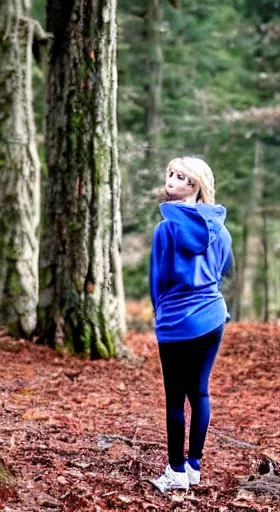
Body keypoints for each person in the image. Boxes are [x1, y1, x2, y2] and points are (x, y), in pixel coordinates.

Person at [149, 156, 233, 493]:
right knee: (199, 391)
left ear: (194, 184)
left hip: (178, 320)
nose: (170, 179)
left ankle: (176, 471)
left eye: (179, 176)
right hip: (213, 315)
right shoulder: (220, 228)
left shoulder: (166, 228)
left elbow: (159, 280)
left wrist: (162, 314)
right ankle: (194, 465)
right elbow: (224, 269)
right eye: (170, 173)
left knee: (174, 399)